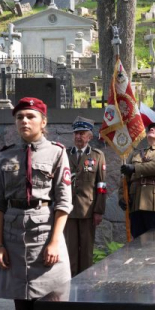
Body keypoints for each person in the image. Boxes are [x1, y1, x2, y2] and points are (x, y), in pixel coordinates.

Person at [0, 97, 72, 310]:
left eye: (30, 116)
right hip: (13, 235)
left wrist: (54, 242)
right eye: (20, 117)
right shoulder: (5, 157)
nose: (24, 122)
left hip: (45, 232)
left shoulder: (56, 153)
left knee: (50, 309)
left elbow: (64, 203)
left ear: (43, 121)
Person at [119, 121, 155, 238]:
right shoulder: (136, 154)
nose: (152, 129)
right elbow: (125, 179)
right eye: (150, 128)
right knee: (137, 244)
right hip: (135, 203)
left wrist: (135, 168)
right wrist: (122, 196)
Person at [64, 117, 106, 276]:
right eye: (76, 133)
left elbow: (101, 185)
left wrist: (98, 211)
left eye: (82, 133)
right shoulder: (65, 154)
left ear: (89, 136)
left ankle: (86, 281)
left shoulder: (97, 155)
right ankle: (71, 281)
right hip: (68, 210)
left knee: (87, 250)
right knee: (70, 249)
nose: (78, 137)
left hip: (88, 210)